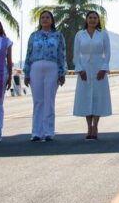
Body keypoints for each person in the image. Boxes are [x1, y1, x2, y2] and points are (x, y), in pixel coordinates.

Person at [23, 10, 67, 141]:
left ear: (52, 20)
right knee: (38, 101)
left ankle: (49, 131)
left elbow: (62, 54)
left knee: (49, 100)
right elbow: (28, 53)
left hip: (52, 67)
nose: (45, 19)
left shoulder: (58, 35)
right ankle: (36, 132)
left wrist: (62, 72)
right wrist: (26, 72)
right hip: (35, 67)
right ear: (40, 20)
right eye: (43, 17)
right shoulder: (34, 35)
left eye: (47, 17)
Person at [73, 10, 112, 140]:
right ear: (86, 19)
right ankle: (88, 126)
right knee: (86, 98)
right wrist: (79, 69)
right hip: (84, 68)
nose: (92, 20)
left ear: (98, 20)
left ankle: (95, 126)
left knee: (97, 98)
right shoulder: (80, 34)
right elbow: (76, 54)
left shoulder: (103, 34)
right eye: (90, 17)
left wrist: (104, 68)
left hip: (98, 68)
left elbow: (107, 54)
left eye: (95, 18)